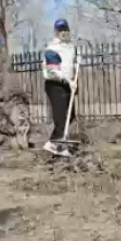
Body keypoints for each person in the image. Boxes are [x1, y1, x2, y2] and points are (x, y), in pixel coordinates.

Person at [41, 19, 77, 157]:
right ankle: (53, 143)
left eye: (65, 30)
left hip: (68, 84)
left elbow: (73, 63)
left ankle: (60, 147)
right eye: (60, 30)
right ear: (56, 32)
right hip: (55, 84)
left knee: (71, 115)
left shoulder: (71, 47)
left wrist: (79, 60)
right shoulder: (51, 49)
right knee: (61, 117)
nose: (63, 32)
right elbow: (53, 71)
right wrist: (69, 81)